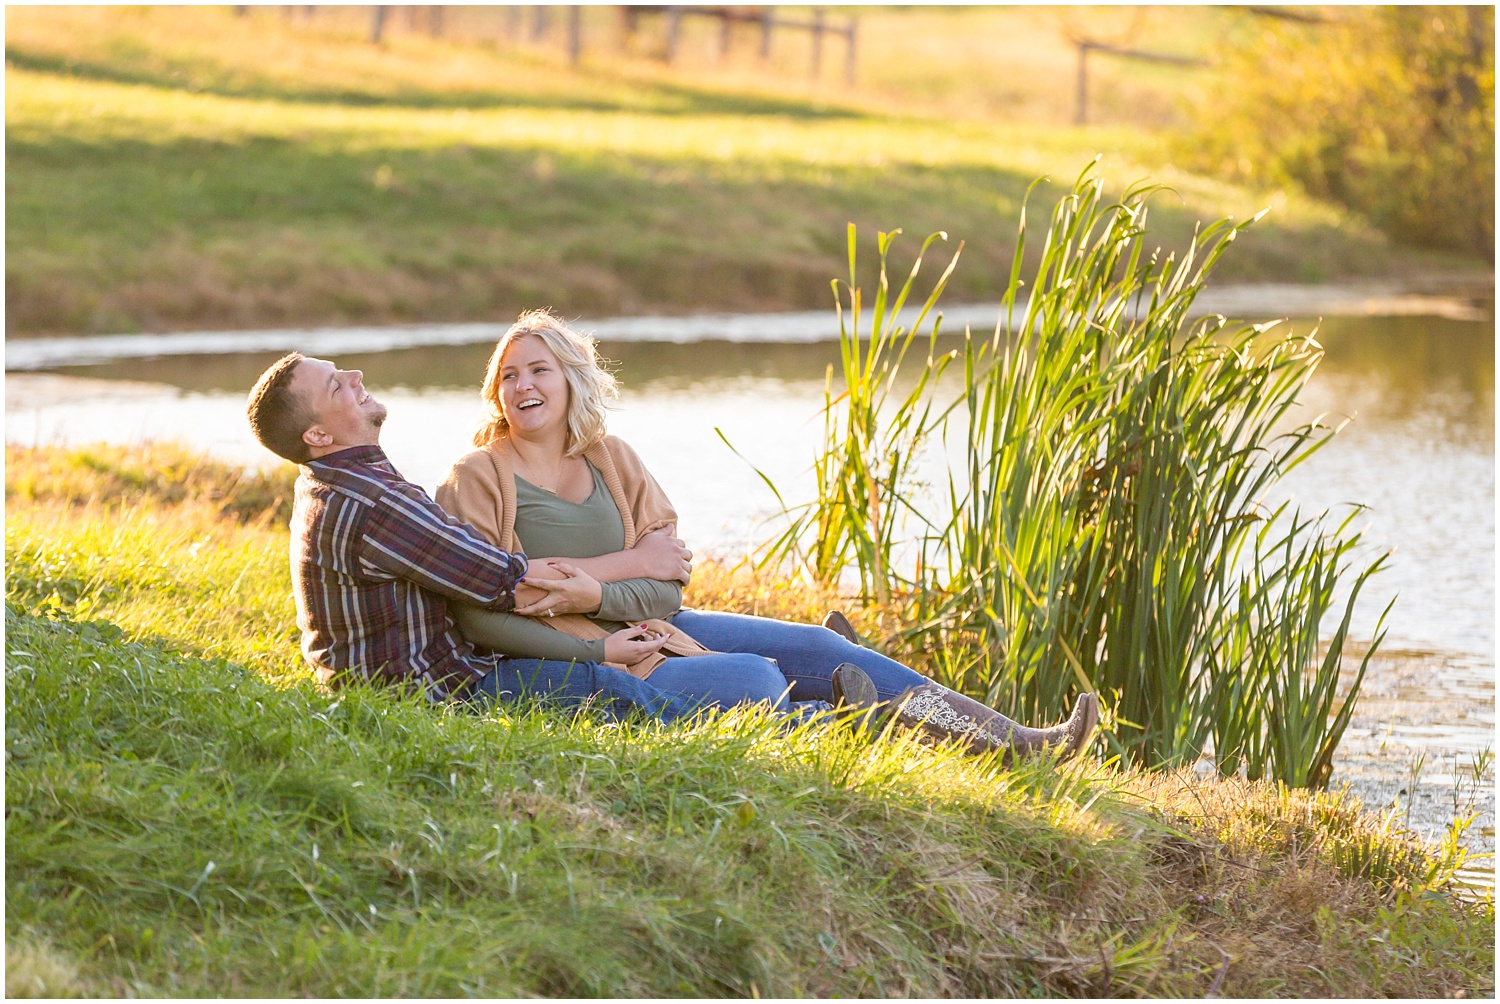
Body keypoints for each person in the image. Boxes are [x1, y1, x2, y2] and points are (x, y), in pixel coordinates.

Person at [435, 309, 1098, 760]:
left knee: (814, 643)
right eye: (508, 375)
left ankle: (1013, 742)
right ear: (497, 394)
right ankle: (873, 724)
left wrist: (590, 587)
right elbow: (486, 607)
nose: (523, 384)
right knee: (757, 676)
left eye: (538, 369)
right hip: (580, 661)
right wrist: (619, 586)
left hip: (660, 630)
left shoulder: (612, 458)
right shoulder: (480, 475)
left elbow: (666, 584)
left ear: (570, 379)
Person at [243, 350, 709, 725]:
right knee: (607, 690)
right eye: (336, 385)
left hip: (385, 688)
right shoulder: (376, 502)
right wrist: (644, 561)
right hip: (430, 694)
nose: (355, 374)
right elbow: (512, 582)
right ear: (319, 434)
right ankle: (755, 740)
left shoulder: (330, 482)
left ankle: (771, 723)